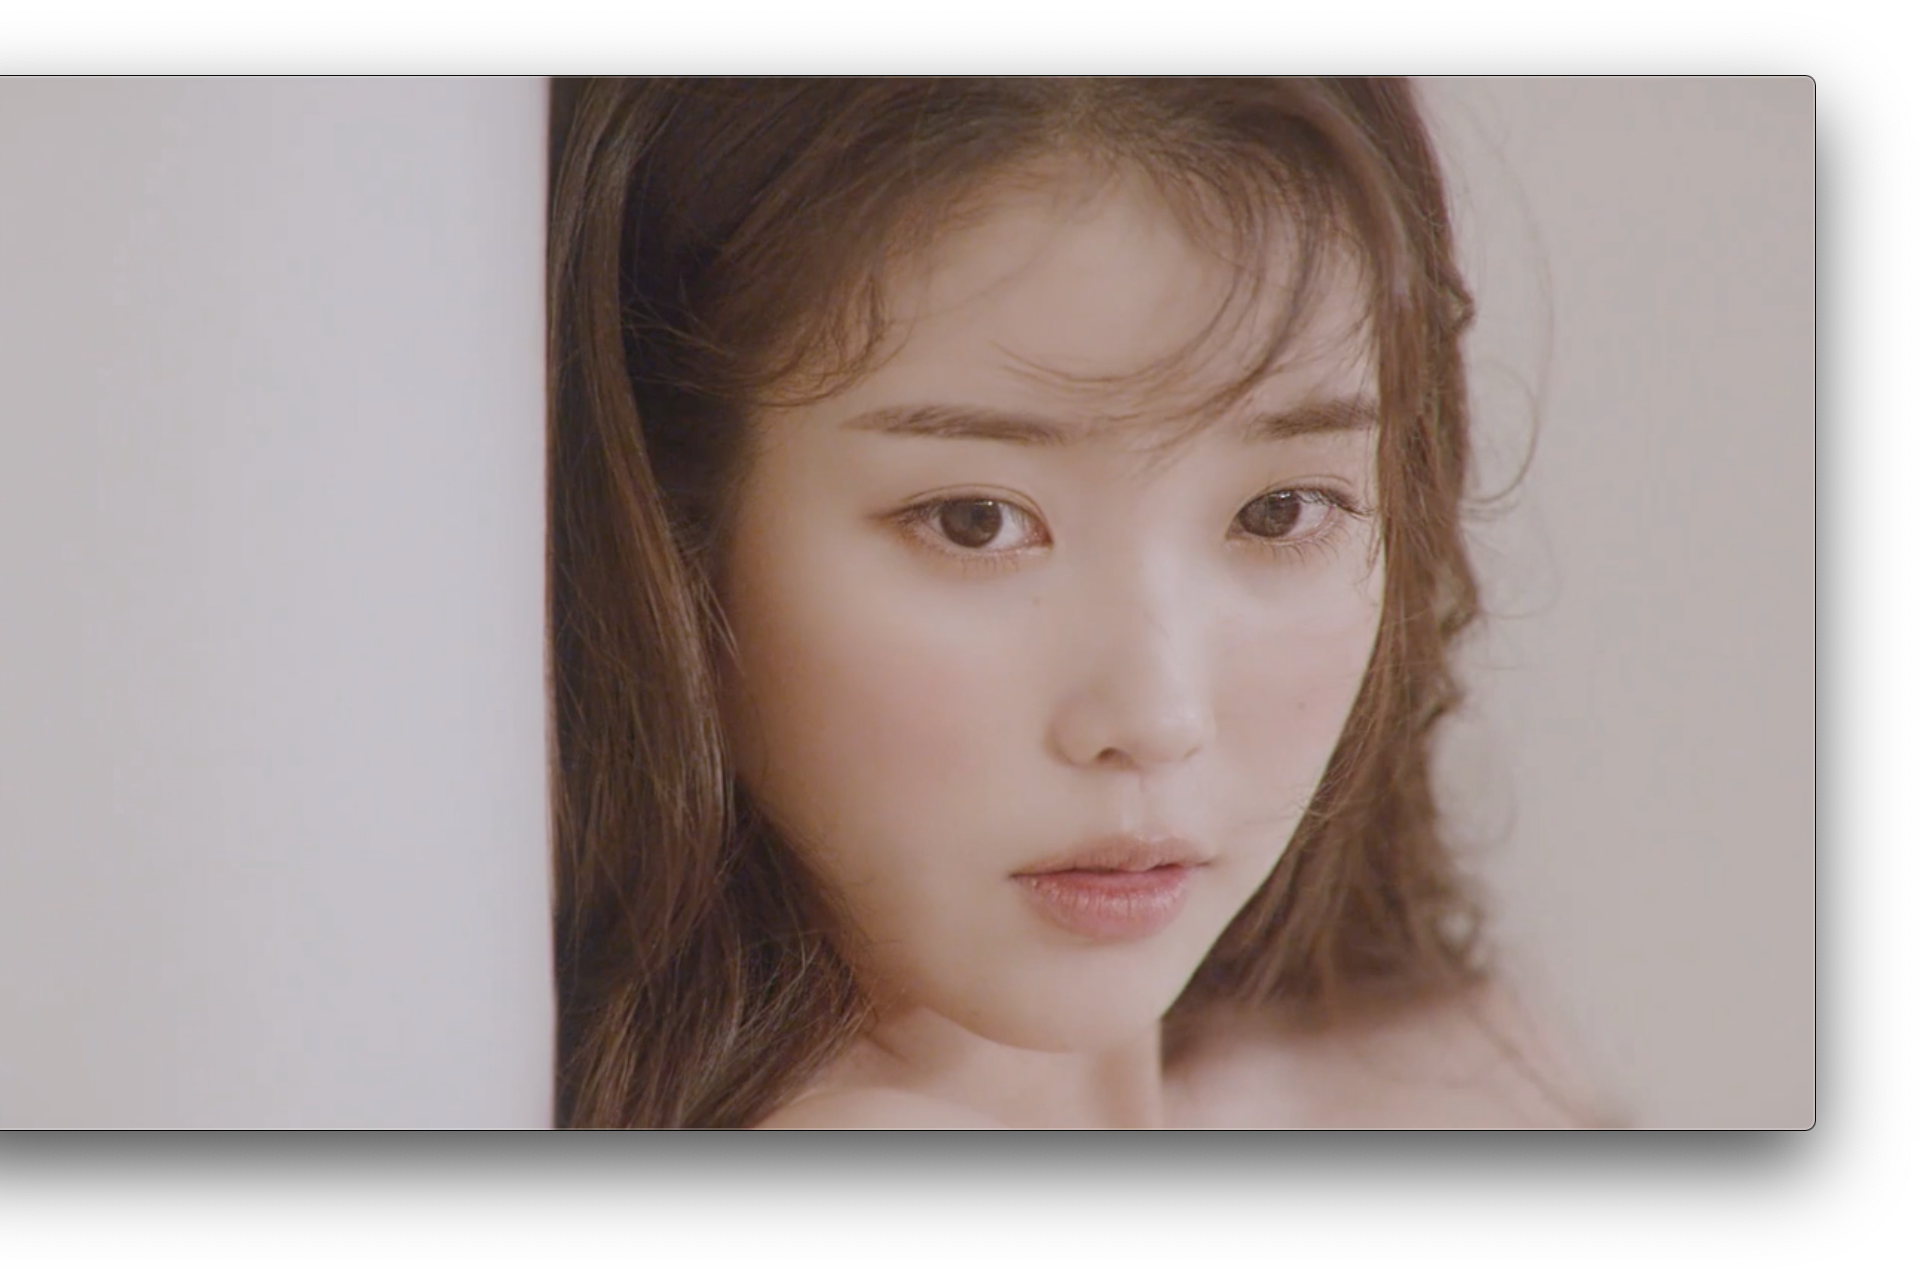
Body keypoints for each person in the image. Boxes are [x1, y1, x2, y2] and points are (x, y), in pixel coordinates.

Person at [548, 77, 1600, 1128]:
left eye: (1280, 512)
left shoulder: (1427, 1068)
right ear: (673, 523)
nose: (1156, 719)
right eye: (974, 522)